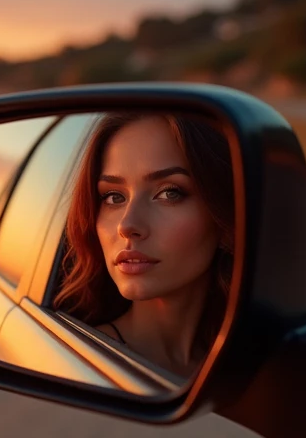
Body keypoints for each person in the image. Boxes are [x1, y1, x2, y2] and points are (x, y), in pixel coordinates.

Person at [54, 112, 234, 378]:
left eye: (169, 193)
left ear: (223, 221)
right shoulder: (73, 362)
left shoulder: (242, 360)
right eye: (113, 197)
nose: (126, 225)